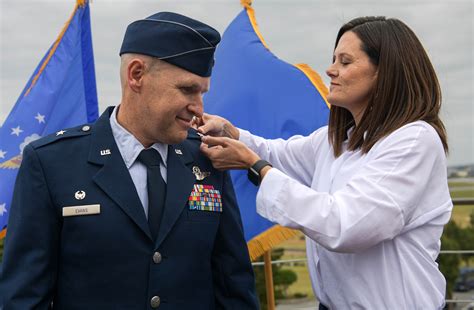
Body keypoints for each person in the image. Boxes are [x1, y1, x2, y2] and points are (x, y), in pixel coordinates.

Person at [1, 12, 258, 309]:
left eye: (202, 92)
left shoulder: (207, 158)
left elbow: (233, 284)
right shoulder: (51, 163)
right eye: (187, 89)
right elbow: (24, 298)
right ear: (136, 75)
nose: (199, 109)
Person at [198, 16, 452, 309]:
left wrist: (257, 168)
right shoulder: (336, 141)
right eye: (334, 60)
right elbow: (276, 153)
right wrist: (230, 132)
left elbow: (346, 225)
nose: (331, 70)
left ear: (385, 73)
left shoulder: (414, 140)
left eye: (345, 62)